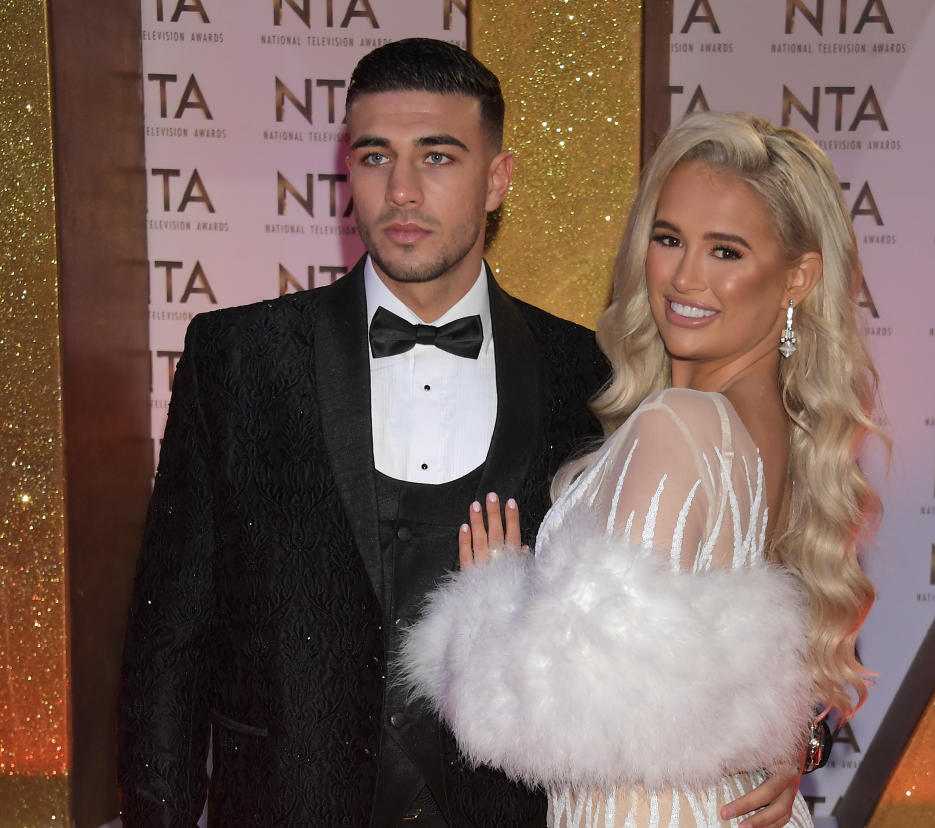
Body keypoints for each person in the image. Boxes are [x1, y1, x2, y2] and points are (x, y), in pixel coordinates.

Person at [117, 39, 803, 827]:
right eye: (376, 157)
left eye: (437, 157)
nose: (401, 190)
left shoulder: (590, 369)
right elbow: (167, 638)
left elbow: (727, 571)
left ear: (497, 179)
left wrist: (793, 734)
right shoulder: (236, 357)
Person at [398, 112, 882, 827]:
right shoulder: (778, 428)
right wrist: (793, 739)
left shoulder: (678, 421)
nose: (686, 276)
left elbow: (580, 715)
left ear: (796, 278)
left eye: (726, 252)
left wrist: (489, 602)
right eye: (668, 238)